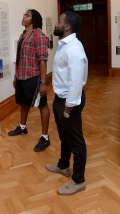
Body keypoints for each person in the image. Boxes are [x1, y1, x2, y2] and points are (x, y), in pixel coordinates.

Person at [46, 11, 88, 196]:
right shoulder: (64, 45)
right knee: (64, 135)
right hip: (61, 98)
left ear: (67, 26)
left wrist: (68, 108)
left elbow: (76, 81)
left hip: (69, 101)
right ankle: (63, 166)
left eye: (59, 21)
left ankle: (78, 180)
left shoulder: (74, 48)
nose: (56, 23)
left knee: (76, 142)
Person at [8, 9, 50, 152]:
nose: (24, 17)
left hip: (34, 77)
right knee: (23, 103)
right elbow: (19, 58)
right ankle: (22, 127)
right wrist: (16, 76)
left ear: (34, 20)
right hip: (21, 76)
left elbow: (43, 60)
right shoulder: (22, 35)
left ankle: (45, 138)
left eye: (27, 15)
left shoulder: (39, 36)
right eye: (24, 15)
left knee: (42, 105)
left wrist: (43, 83)